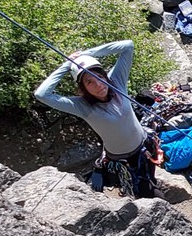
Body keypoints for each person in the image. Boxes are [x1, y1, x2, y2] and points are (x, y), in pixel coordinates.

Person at [34, 40, 160, 198]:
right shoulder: (82, 106)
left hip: (145, 146)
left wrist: (87, 54)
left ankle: (151, 184)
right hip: (124, 160)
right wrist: (67, 65)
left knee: (150, 179)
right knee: (146, 194)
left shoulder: (117, 84)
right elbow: (41, 94)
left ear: (105, 76)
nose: (98, 84)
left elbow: (128, 46)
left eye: (98, 77)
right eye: (89, 82)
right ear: (83, 88)